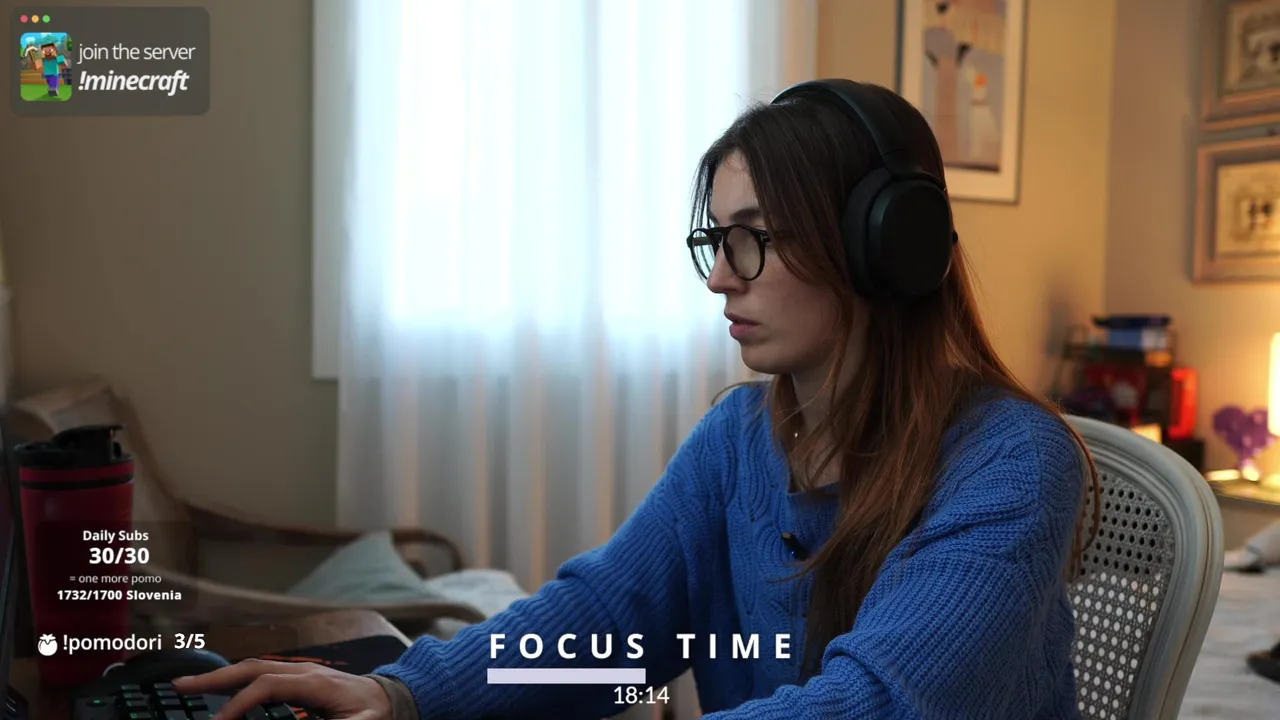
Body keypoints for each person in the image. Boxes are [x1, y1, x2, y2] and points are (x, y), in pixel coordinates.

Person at [174, 79, 1099, 719]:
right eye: (716, 241)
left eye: (753, 238)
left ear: (880, 249)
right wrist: (406, 694)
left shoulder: (1011, 464)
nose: (721, 278)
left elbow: (874, 704)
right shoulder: (740, 438)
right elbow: (610, 622)